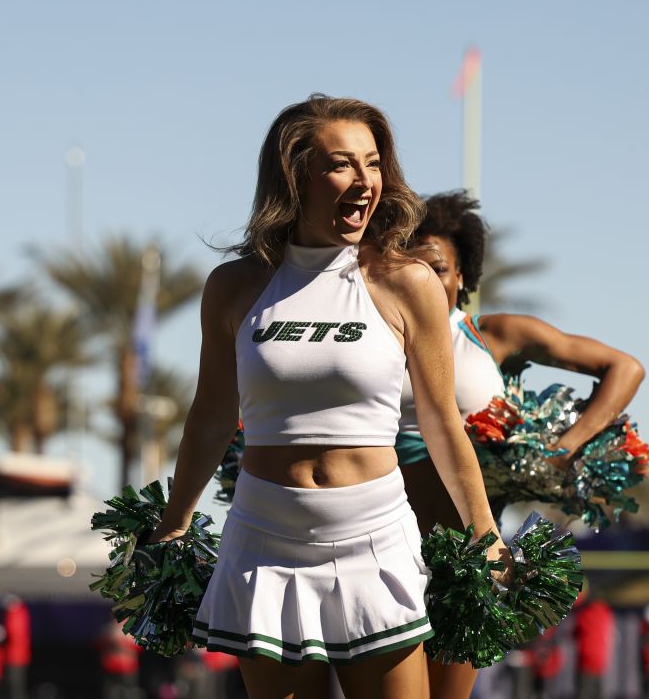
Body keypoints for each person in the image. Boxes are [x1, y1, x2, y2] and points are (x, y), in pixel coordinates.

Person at [147, 94, 508, 699]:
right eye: (342, 164)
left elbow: (445, 423)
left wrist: (484, 532)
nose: (364, 181)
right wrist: (174, 521)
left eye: (373, 164)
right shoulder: (236, 287)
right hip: (264, 539)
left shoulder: (404, 281)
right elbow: (211, 414)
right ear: (295, 176)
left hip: (374, 538)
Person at [394, 189, 646, 698]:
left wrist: (564, 448)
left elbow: (625, 367)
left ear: (462, 275)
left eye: (438, 268)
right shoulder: (373, 336)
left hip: (466, 560)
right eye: (412, 266)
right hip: (379, 549)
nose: (425, 278)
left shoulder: (493, 335)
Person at [1, 595, 31, 699]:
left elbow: (13, 635)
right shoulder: (21, 613)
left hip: (14, 656)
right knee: (17, 685)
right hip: (20, 655)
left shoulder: (14, 615)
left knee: (14, 685)